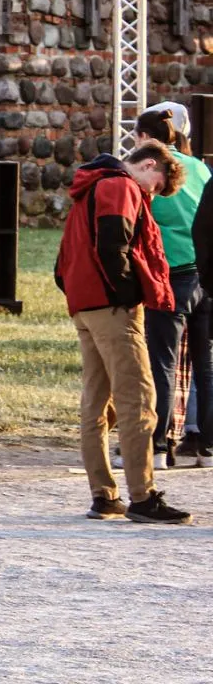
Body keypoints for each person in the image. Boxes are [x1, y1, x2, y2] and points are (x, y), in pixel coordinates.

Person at [56, 140, 193, 523]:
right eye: (156, 185)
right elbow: (112, 245)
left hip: (85, 304)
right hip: (112, 307)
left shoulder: (90, 186)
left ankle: (104, 495)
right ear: (149, 165)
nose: (153, 194)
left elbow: (65, 256)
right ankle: (143, 497)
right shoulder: (120, 186)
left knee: (96, 403)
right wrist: (127, 294)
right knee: (138, 401)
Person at [136, 109, 210, 467]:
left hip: (169, 271)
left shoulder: (148, 169)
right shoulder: (197, 167)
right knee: (203, 361)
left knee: (162, 360)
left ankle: (159, 443)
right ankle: (203, 445)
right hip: (202, 271)